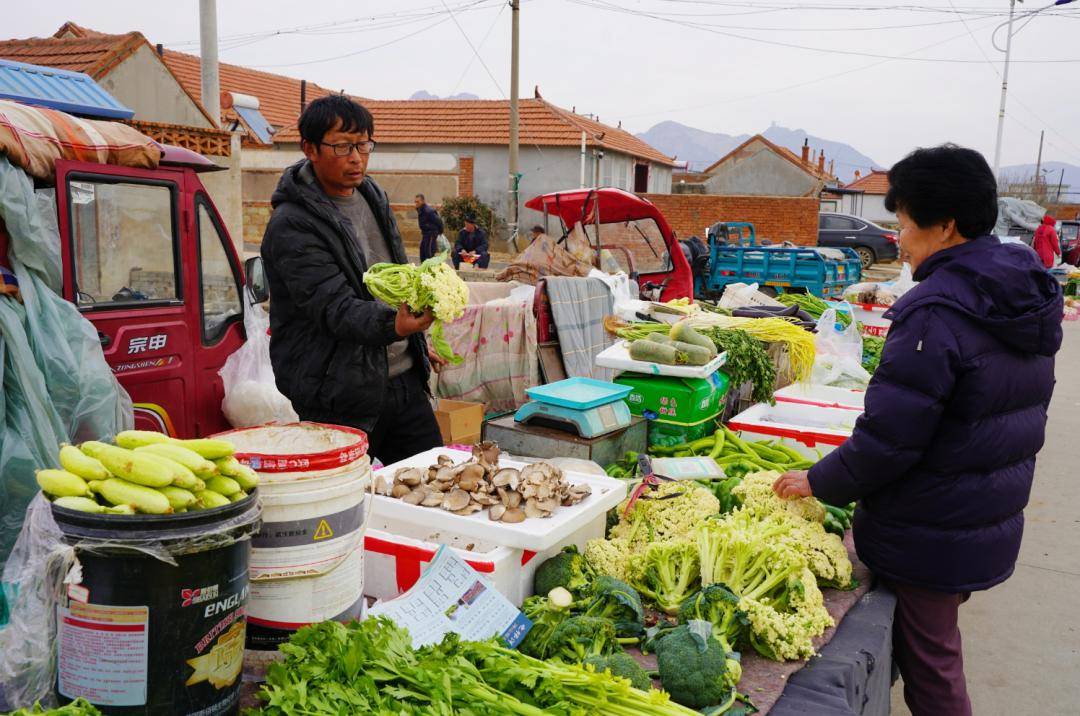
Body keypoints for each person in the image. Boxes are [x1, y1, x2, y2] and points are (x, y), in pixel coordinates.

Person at [772, 144, 1063, 716]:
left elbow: (889, 440)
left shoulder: (935, 311)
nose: (898, 238)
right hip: (974, 514)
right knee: (933, 646)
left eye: (903, 224)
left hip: (934, 524)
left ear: (946, 225)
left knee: (932, 667)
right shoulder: (1017, 296)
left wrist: (818, 480)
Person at [260, 95, 448, 466]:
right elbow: (333, 307)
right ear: (310, 149)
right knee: (342, 505)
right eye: (342, 145)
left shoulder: (371, 195)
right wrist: (394, 325)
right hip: (336, 394)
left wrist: (411, 339)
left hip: (403, 381)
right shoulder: (291, 225)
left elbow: (395, 277)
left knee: (431, 487)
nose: (356, 157)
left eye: (363, 144)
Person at [415, 193, 444, 261]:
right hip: (425, 234)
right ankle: (423, 267)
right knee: (422, 251)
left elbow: (439, 221)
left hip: (431, 234)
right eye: (415, 202)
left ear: (422, 201)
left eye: (418, 202)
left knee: (429, 253)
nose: (416, 203)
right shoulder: (420, 209)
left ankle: (431, 268)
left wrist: (439, 232)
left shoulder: (428, 211)